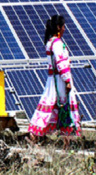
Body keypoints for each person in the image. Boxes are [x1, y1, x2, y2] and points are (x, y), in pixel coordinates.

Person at [28, 14, 81, 147]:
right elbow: (60, 62)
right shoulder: (57, 43)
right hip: (60, 81)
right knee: (65, 107)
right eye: (63, 26)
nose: (64, 29)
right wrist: (67, 80)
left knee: (49, 104)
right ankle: (66, 142)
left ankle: (35, 134)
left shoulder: (50, 42)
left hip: (52, 79)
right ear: (58, 27)